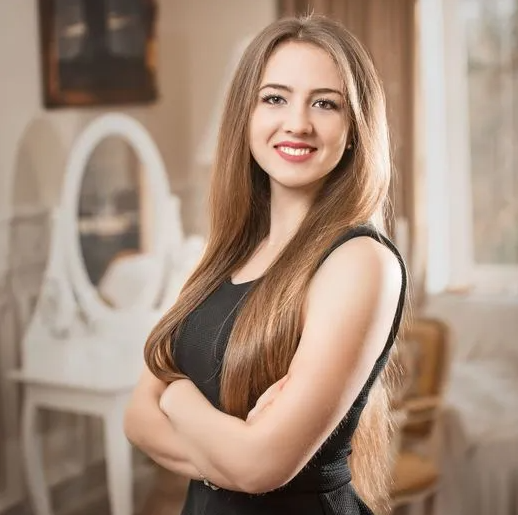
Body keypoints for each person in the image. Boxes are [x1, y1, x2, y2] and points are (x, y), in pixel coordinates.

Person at [124, 13, 407, 515]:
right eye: (275, 98)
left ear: (354, 129)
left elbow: (258, 468)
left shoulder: (361, 260)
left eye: (325, 103)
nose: (297, 123)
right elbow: (136, 420)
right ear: (246, 116)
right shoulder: (226, 252)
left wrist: (175, 399)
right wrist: (231, 452)